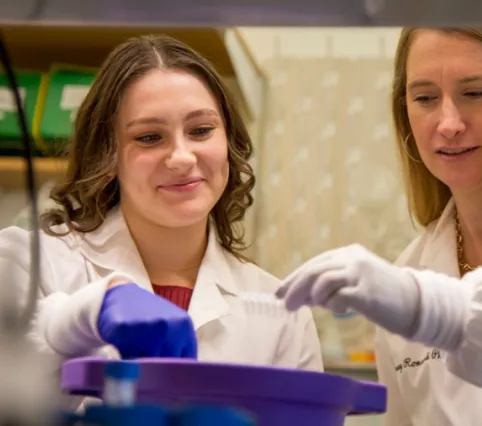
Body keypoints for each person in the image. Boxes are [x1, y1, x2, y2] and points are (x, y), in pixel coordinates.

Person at [0, 34, 322, 410]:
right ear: (108, 156)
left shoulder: (281, 309)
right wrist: (77, 319)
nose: (182, 157)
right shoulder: (30, 262)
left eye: (201, 130)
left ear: (229, 143)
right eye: (150, 137)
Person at [276, 27, 482, 423]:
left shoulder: (406, 292)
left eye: (476, 92)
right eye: (425, 98)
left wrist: (430, 309)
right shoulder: (410, 269)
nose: (448, 123)